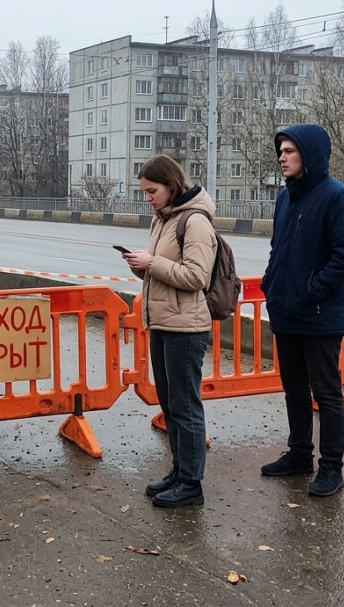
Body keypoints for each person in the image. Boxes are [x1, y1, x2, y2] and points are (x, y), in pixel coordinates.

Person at [259, 124, 344, 497]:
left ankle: (331, 468)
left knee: (327, 393)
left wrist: (309, 292)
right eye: (281, 151)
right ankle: (300, 453)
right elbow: (279, 249)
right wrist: (274, 286)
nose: (282, 157)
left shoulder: (336, 196)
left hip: (319, 315)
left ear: (310, 154)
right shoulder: (285, 199)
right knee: (294, 389)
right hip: (287, 312)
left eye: (290, 150)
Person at [123, 154, 217, 508]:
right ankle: (180, 470)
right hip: (162, 322)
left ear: (171, 185)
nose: (148, 197)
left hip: (185, 327)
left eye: (152, 191)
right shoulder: (161, 220)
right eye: (144, 192)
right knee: (169, 402)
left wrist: (153, 263)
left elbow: (196, 277)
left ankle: (192, 482)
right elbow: (161, 273)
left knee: (185, 405)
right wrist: (141, 266)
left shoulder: (194, 222)